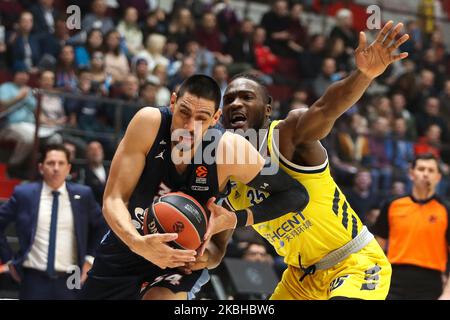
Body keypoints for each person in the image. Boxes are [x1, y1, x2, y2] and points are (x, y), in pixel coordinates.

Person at [195, 21, 410, 300]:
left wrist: (363, 75)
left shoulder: (288, 135)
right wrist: (201, 257)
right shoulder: (225, 174)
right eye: (230, 99)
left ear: (268, 109)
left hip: (354, 262)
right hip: (299, 279)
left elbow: (327, 107)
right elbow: (217, 247)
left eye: (247, 97)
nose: (236, 104)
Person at [81, 74, 309, 300]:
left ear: (216, 117)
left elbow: (296, 194)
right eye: (184, 113)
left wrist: (235, 219)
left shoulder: (229, 150)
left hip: (180, 263)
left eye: (202, 117)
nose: (190, 126)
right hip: (129, 242)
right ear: (172, 102)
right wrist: (138, 244)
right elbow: (113, 199)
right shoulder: (148, 123)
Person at [0, 144, 107, 299]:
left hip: (72, 275)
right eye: (50, 163)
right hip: (33, 276)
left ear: (68, 168)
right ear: (41, 167)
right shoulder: (25, 194)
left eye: (61, 163)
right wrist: (9, 259)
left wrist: (90, 259)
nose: (56, 168)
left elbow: (102, 226)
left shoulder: (83, 195)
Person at [373, 153, 450, 300]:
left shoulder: (445, 210)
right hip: (394, 279)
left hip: (430, 283)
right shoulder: (392, 205)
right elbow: (378, 247)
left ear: (438, 177)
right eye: (421, 169)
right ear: (411, 173)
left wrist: (448, 293)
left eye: (431, 170)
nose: (425, 174)